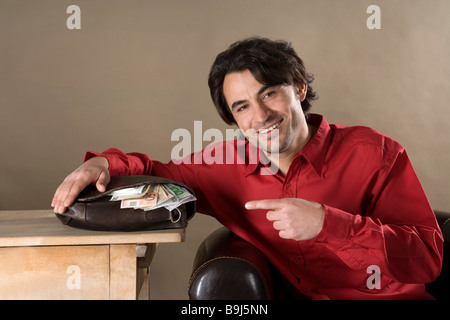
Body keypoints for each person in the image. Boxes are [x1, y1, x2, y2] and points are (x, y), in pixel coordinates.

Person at [52, 37, 443, 299]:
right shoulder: (222, 166)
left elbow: (428, 257)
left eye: (269, 93)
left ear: (299, 90)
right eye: (242, 107)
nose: (259, 116)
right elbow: (153, 170)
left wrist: (329, 224)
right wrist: (103, 162)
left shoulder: (375, 153)